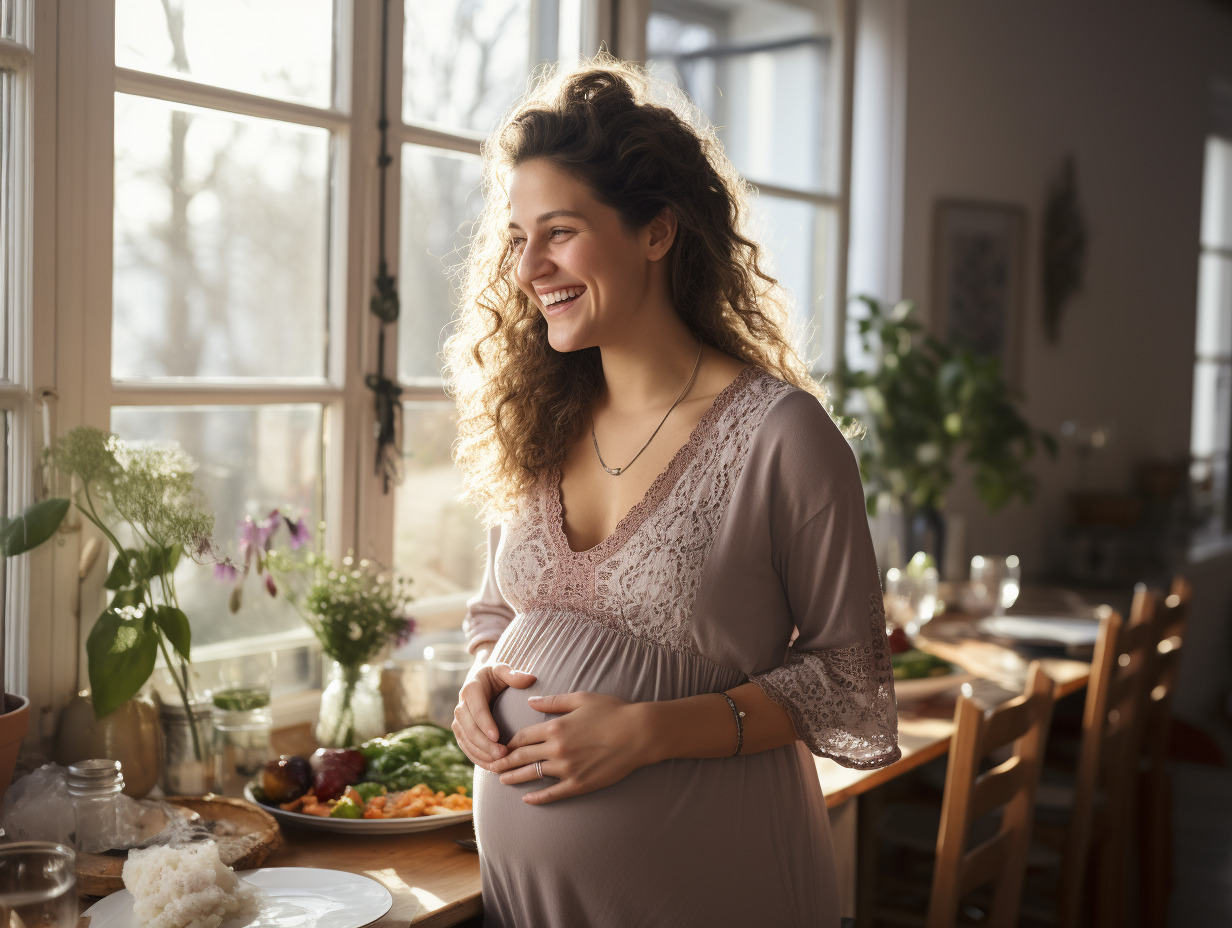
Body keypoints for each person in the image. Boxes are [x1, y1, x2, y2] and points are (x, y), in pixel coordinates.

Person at [444, 56, 900, 928]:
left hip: (720, 886)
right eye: (516, 236)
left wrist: (648, 732)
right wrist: (478, 685)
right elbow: (494, 616)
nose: (528, 266)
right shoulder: (538, 426)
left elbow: (852, 683)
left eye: (560, 232)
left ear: (657, 231)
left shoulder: (782, 436)